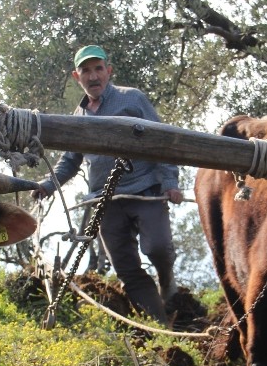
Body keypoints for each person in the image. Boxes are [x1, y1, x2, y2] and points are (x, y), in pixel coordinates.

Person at [32, 45, 183, 323]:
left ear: (108, 71)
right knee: (125, 267)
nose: (93, 76)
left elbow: (163, 140)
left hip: (145, 190)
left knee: (157, 247)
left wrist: (170, 181)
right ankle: (162, 325)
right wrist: (47, 186)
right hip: (106, 202)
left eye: (98, 69)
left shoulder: (132, 100)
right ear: (77, 77)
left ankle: (167, 283)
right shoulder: (78, 119)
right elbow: (69, 162)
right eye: (86, 71)